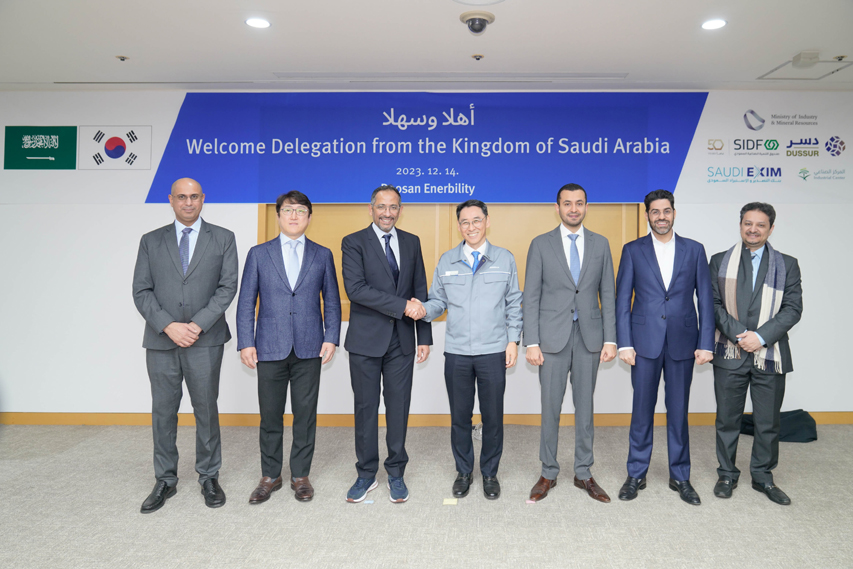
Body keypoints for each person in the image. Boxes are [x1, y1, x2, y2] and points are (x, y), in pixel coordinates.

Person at [132, 177, 238, 513]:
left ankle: (208, 475)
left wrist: (195, 326)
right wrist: (168, 326)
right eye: (182, 197)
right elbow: (141, 290)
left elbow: (227, 287)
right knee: (164, 412)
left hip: (205, 339)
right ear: (171, 200)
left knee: (206, 409)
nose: (188, 203)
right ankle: (165, 479)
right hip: (162, 341)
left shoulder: (223, 238)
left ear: (203, 199)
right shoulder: (151, 241)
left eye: (194, 197)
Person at [236, 191, 341, 504]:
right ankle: (270, 475)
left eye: (300, 211)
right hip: (269, 346)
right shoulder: (259, 254)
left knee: (305, 415)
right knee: (270, 415)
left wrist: (331, 336)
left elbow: (332, 301)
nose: (294, 216)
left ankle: (300, 475)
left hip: (310, 347)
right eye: (288, 210)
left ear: (309, 217)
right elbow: (245, 302)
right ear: (278, 215)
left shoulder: (322, 255)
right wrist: (246, 342)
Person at [418, 200, 522, 500]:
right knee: (460, 416)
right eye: (465, 222)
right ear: (459, 225)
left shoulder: (505, 259)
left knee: (493, 416)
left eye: (477, 220)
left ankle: (490, 473)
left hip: (493, 352)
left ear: (487, 221)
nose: (471, 227)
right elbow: (437, 302)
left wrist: (512, 340)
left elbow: (514, 304)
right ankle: (464, 471)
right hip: (458, 353)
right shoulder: (447, 260)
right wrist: (419, 309)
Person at [615, 189, 714, 505]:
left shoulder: (695, 250)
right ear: (647, 215)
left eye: (666, 211)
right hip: (643, 344)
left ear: (674, 213)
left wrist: (706, 343)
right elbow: (621, 301)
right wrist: (624, 343)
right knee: (641, 411)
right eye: (655, 211)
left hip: (684, 342)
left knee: (678, 412)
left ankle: (680, 476)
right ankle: (636, 473)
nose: (661, 216)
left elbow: (706, 301)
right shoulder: (632, 250)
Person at [523, 183, 617, 503]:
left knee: (585, 409)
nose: (573, 209)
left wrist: (610, 338)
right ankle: (548, 472)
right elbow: (531, 296)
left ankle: (584, 473)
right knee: (550, 408)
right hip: (550, 338)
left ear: (586, 207)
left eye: (579, 203)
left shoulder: (601, 244)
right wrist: (531, 341)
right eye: (567, 203)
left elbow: (609, 295)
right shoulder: (540, 244)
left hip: (589, 336)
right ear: (557, 207)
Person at [341, 185, 432, 503]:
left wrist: (425, 337)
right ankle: (366, 474)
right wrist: (402, 306)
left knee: (398, 409)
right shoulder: (353, 243)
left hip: (403, 341)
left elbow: (420, 287)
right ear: (371, 208)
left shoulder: (411, 242)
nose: (387, 213)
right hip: (366, 341)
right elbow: (356, 290)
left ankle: (396, 472)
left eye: (394, 207)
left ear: (400, 209)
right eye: (382, 206)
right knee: (365, 409)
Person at [709, 202, 802, 505]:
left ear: (771, 229)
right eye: (748, 223)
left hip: (770, 354)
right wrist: (741, 336)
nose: (753, 229)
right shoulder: (719, 261)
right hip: (730, 354)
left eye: (760, 224)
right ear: (740, 225)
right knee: (727, 419)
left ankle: (762, 476)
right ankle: (726, 474)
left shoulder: (787, 264)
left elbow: (792, 309)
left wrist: (760, 337)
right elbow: (713, 305)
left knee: (767, 421)